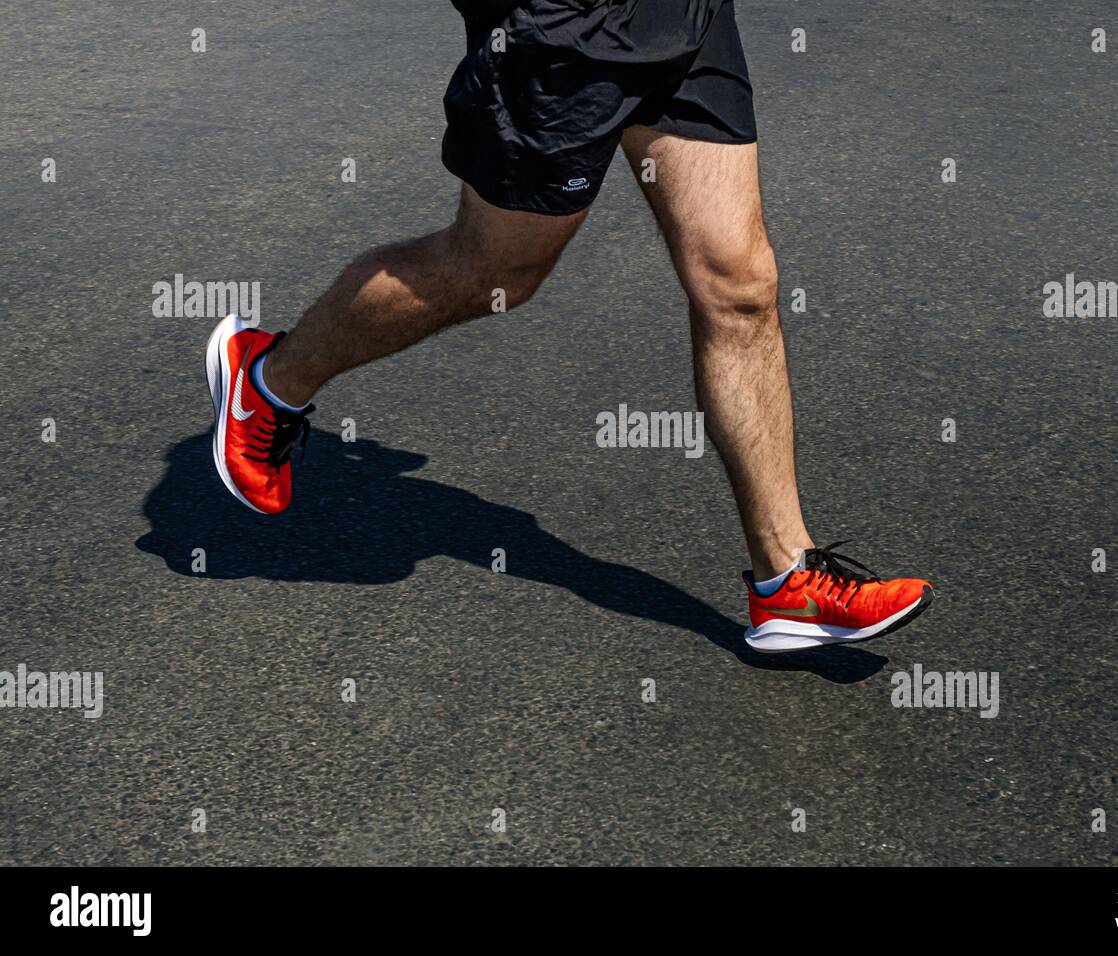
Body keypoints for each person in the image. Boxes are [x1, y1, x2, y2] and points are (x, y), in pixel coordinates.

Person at [203, 0, 933, 652]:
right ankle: (270, 378)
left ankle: (788, 580)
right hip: (564, 22)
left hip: (683, 12)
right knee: (496, 271)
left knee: (740, 284)